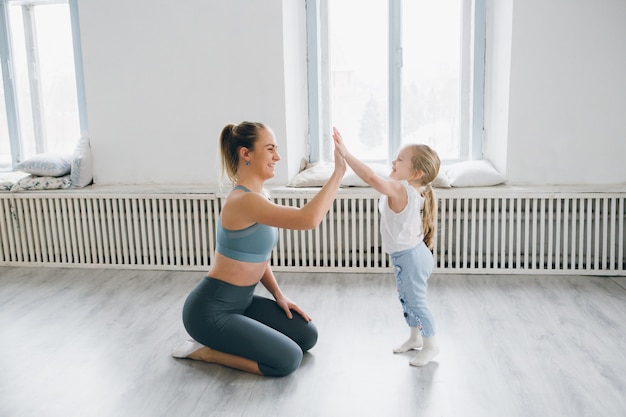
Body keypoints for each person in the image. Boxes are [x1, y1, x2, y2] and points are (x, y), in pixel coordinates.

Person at [172, 121, 346, 377]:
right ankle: (205, 351)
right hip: (209, 312)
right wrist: (338, 172)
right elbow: (307, 220)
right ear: (246, 153)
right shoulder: (243, 201)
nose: (277, 157)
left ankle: (237, 335)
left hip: (242, 303)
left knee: (307, 336)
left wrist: (278, 295)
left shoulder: (259, 197)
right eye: (270, 149)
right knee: (288, 359)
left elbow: (258, 257)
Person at [333, 127, 441, 367]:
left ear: (416, 173)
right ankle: (415, 338)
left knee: (416, 302)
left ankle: (431, 345)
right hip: (408, 255)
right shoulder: (409, 187)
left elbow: (371, 178)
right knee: (407, 299)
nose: (394, 161)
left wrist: (346, 155)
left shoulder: (402, 188)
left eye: (400, 159)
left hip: (411, 257)